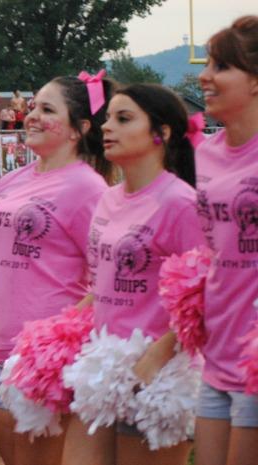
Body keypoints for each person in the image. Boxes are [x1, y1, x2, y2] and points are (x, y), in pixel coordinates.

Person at [0, 73, 115, 465]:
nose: (32, 116)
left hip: (44, 366)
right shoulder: (10, 182)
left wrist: (53, 341)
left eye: (48, 110)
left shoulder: (87, 188)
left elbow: (107, 280)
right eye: (33, 107)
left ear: (80, 128)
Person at [61, 84, 204, 465]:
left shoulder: (180, 203)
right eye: (108, 118)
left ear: (162, 133)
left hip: (156, 375)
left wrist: (157, 356)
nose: (108, 127)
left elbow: (205, 295)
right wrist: (63, 329)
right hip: (103, 371)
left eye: (124, 119)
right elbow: (103, 283)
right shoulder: (108, 197)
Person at [193, 16, 258, 465]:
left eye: (221, 66)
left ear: (254, 82)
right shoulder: (205, 154)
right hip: (216, 354)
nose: (204, 76)